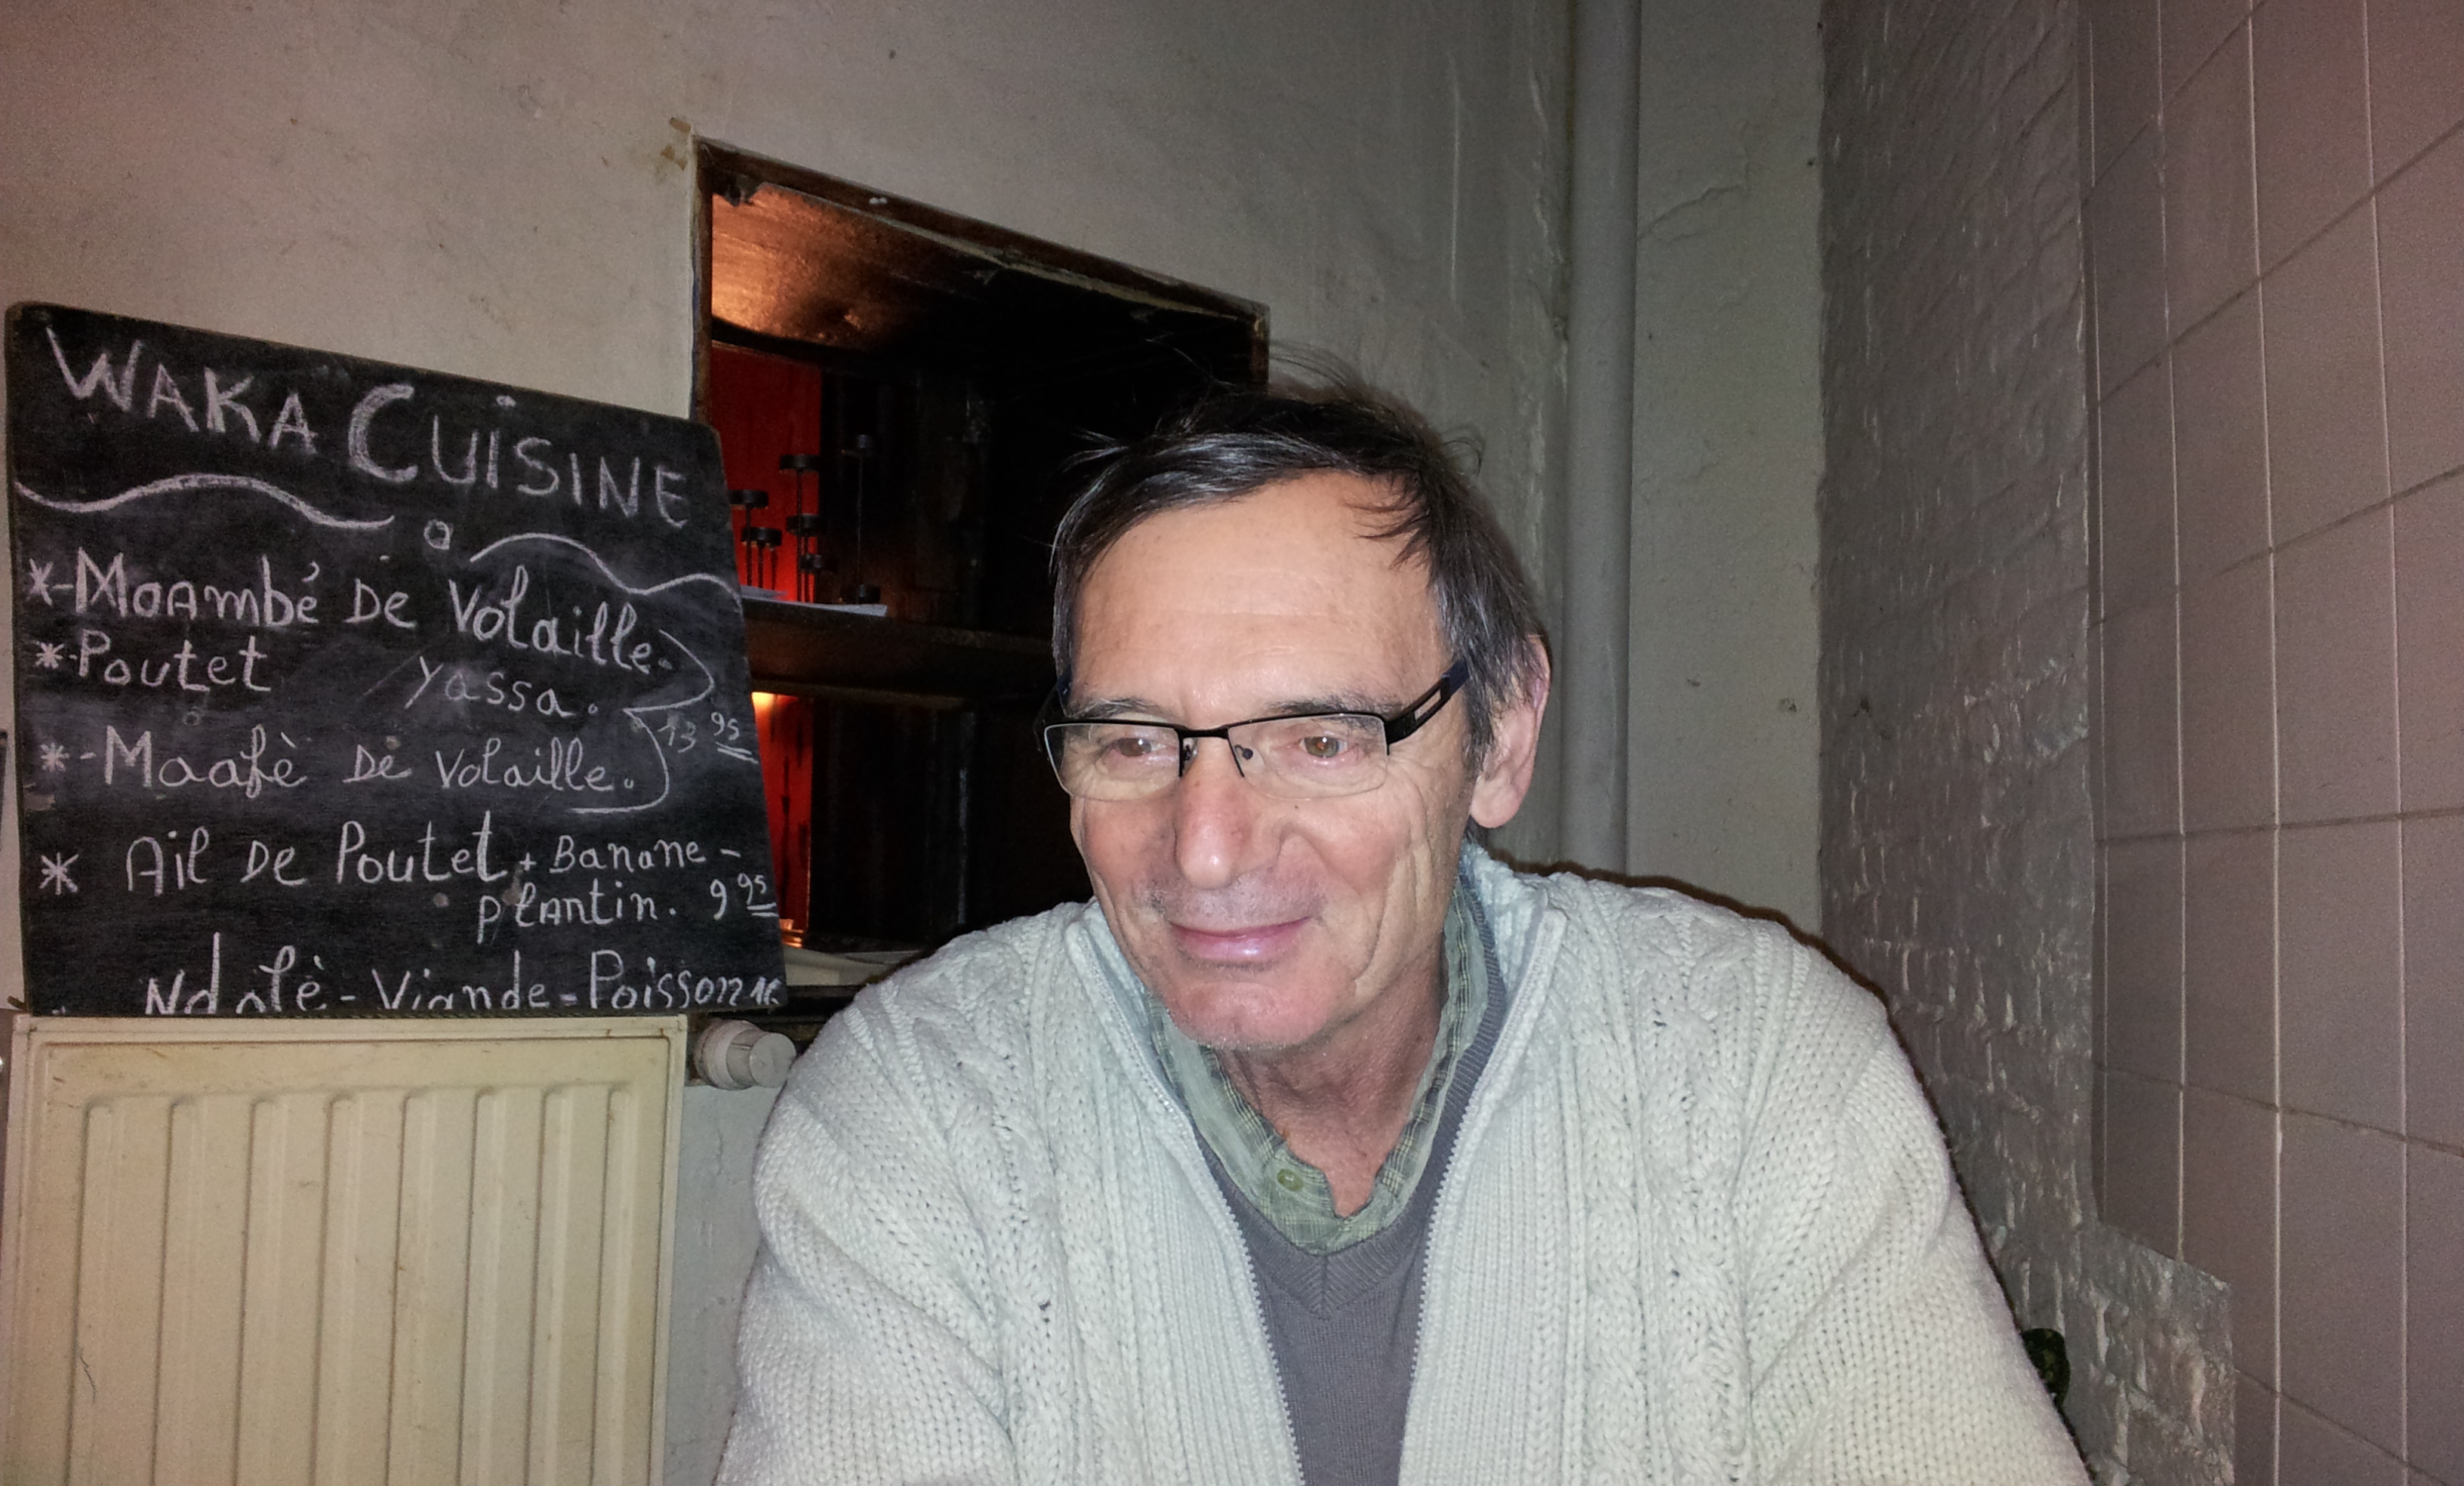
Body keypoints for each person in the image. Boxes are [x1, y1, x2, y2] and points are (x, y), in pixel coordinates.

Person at [719, 382, 2086, 1485]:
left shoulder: (1758, 1068)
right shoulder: (916, 1109)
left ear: (1500, 737)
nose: (1205, 849)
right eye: (1133, 742)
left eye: (1320, 738)